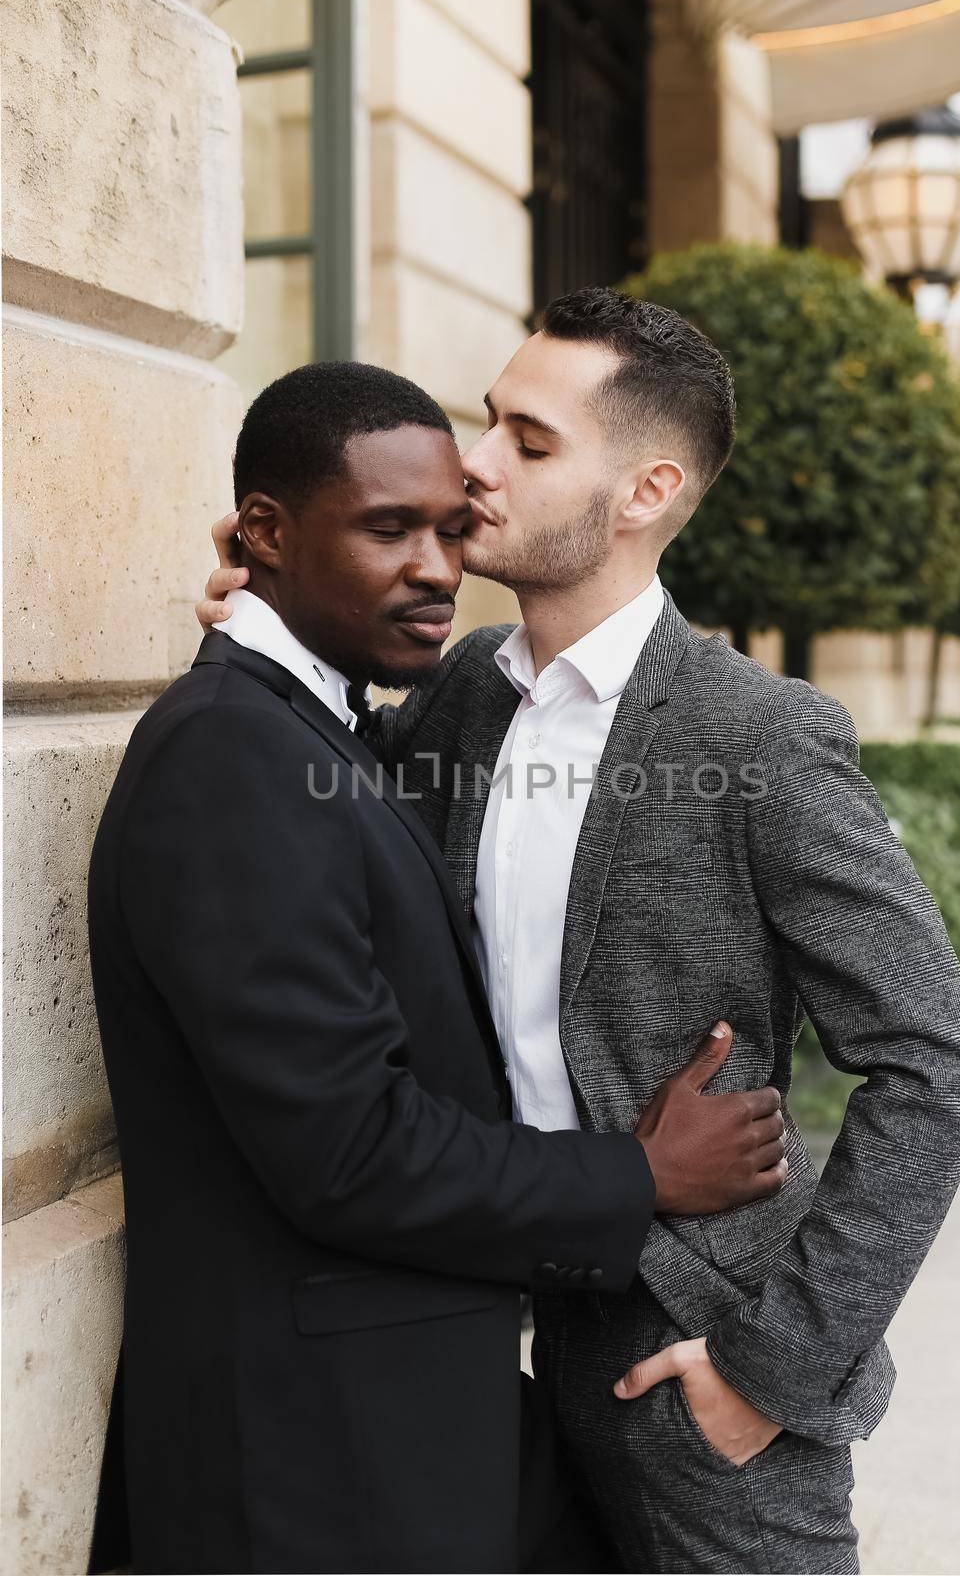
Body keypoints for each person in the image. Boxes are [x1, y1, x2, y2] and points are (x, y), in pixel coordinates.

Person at [201, 289, 960, 1575]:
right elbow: (333, 824)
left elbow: (932, 1062)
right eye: (485, 421)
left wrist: (771, 1365)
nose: (474, 464)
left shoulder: (759, 738)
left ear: (642, 492)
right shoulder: (458, 696)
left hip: (688, 1358)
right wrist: (272, 608)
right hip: (482, 1338)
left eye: (528, 439)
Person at [89, 362, 791, 1576]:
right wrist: (635, 1176)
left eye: (447, 528)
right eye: (384, 528)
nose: (434, 567)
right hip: (313, 1468)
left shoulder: (324, 724)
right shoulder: (230, 759)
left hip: (407, 1424)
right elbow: (348, 1151)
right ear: (260, 529)